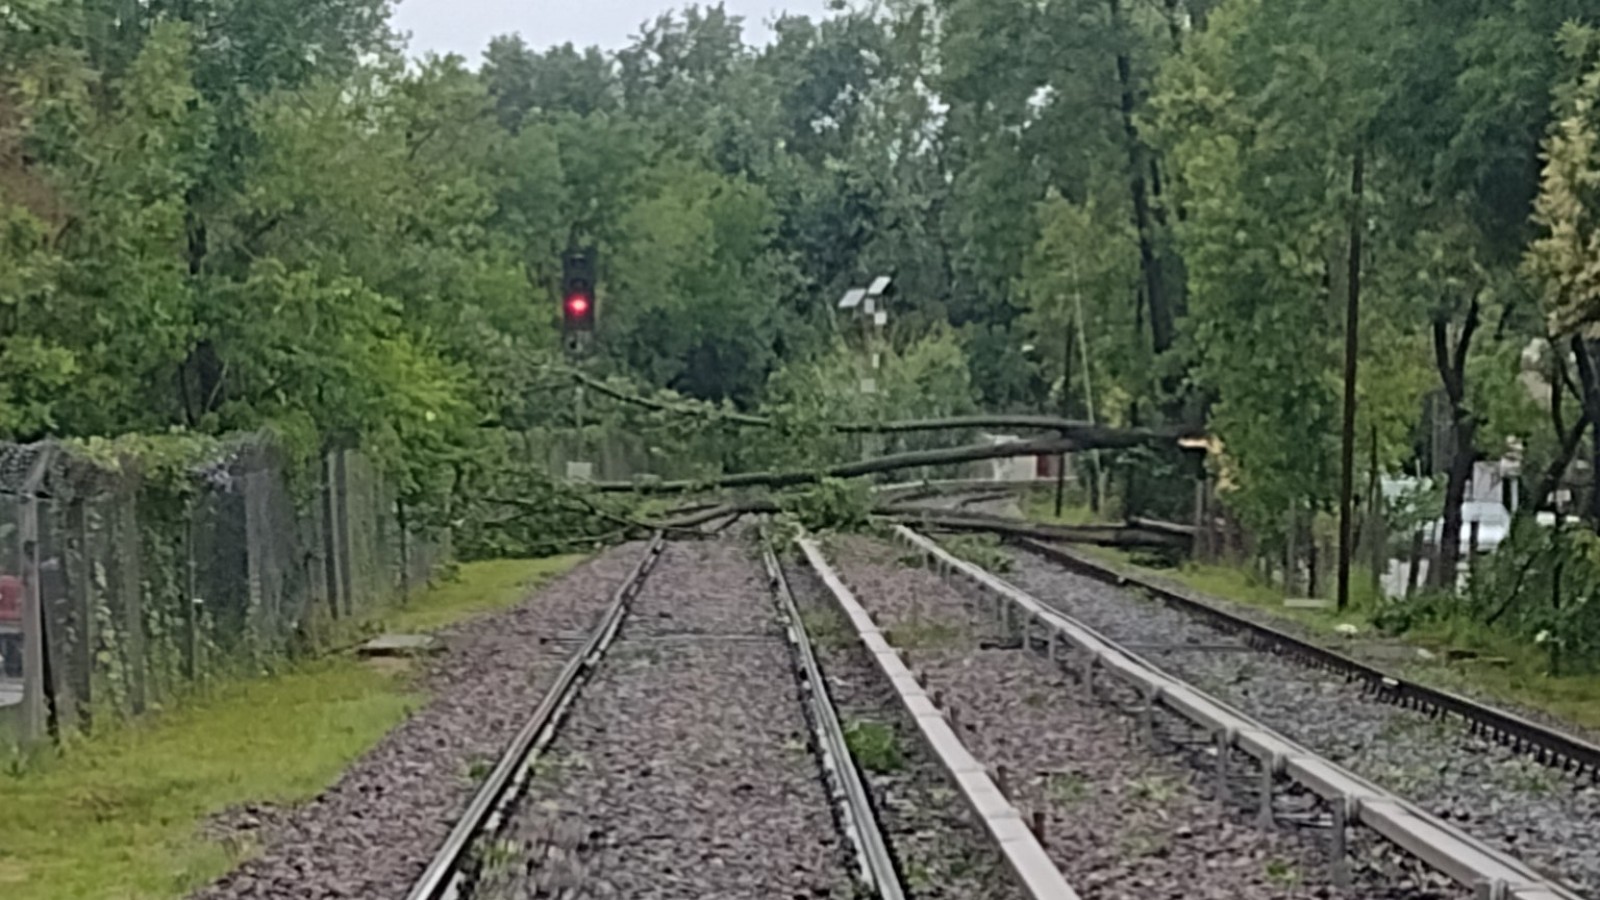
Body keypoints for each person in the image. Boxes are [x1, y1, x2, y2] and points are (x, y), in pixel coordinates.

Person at [0, 573, 23, 679]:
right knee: (13, 645)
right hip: (17, 620)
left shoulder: (1, 584)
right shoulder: (19, 584)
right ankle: (14, 669)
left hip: (2, 620)